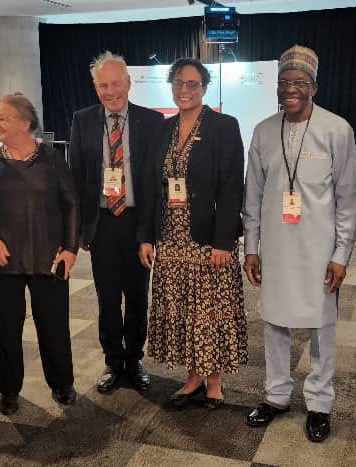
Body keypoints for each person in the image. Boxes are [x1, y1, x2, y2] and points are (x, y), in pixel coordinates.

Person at [242, 45, 356, 442]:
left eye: (299, 82)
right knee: (274, 321)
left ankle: (320, 403)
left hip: (319, 251)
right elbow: (253, 197)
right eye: (284, 82)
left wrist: (341, 254)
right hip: (275, 248)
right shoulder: (262, 130)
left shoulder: (337, 130)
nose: (290, 89)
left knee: (321, 328)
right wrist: (252, 248)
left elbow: (348, 199)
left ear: (314, 86)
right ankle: (276, 396)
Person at [138, 57, 246, 410]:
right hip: (169, 237)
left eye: (193, 84)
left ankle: (213, 382)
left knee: (209, 310)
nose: (185, 90)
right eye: (179, 83)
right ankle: (193, 377)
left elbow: (232, 188)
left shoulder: (223, 126)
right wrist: (146, 236)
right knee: (182, 309)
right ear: (171, 85)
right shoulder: (162, 130)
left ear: (205, 87)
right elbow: (152, 187)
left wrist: (223, 241)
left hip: (206, 237)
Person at [0, 93, 80, 413]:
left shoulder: (52, 158)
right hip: (1, 261)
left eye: (3, 118)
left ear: (25, 123)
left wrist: (71, 249)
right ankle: (8, 389)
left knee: (54, 323)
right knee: (4, 327)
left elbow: (72, 203)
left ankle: (62, 383)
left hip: (50, 257)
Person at [68, 51, 164, 395]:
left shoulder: (151, 122)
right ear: (96, 89)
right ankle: (113, 360)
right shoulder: (82, 120)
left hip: (137, 223)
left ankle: (134, 358)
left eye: (116, 83)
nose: (111, 91)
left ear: (128, 83)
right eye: (103, 85)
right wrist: (79, 228)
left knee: (138, 296)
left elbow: (155, 183)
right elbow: (76, 176)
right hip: (103, 223)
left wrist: (149, 233)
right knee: (107, 297)